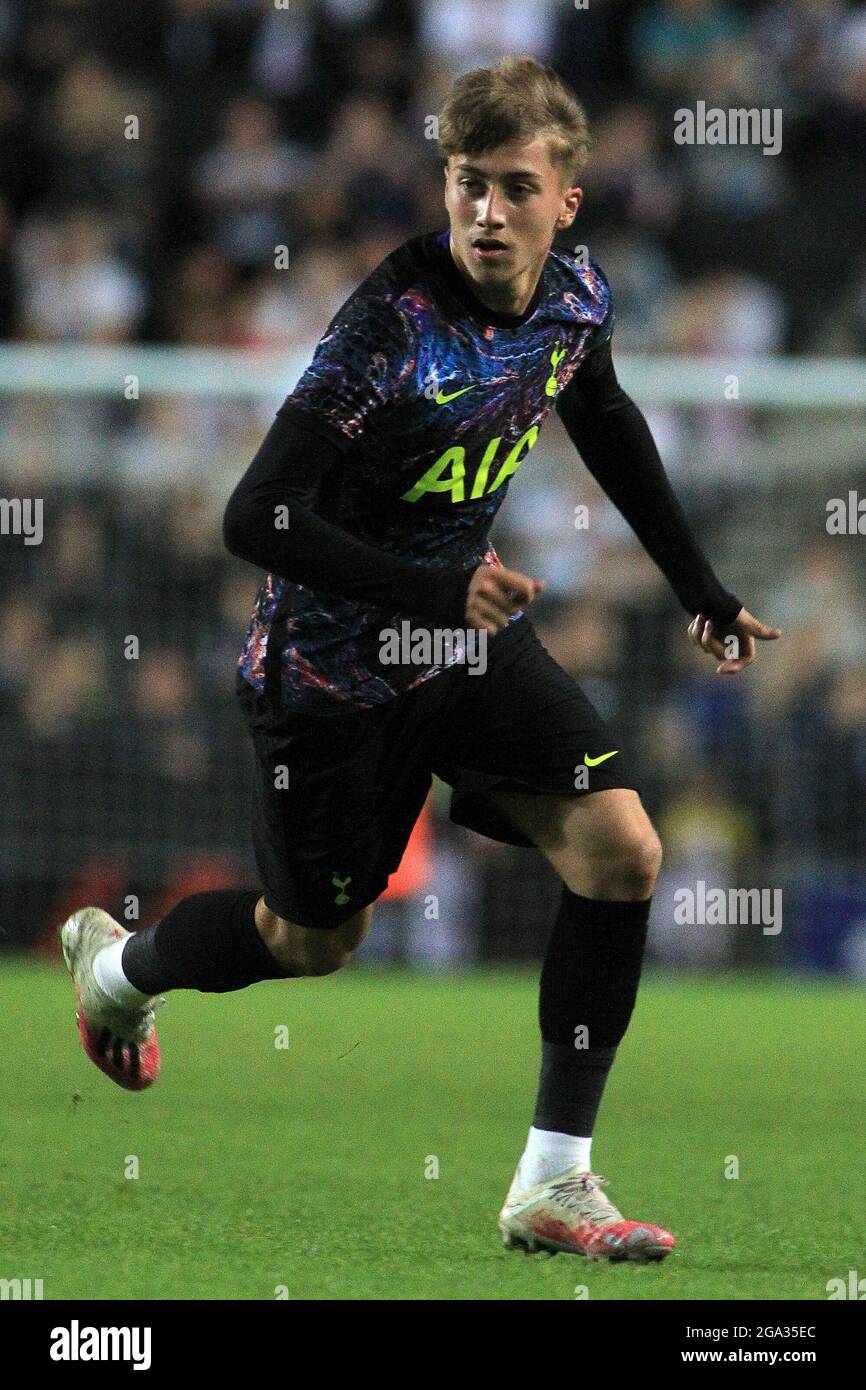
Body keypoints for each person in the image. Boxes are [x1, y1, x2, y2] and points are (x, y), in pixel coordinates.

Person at [60, 55, 780, 1263]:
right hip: (329, 669)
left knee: (620, 850)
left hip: (462, 644)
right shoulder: (386, 327)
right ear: (441, 189)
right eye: (464, 186)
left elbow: (595, 408)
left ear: (566, 203)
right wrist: (434, 585)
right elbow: (256, 517)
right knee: (313, 942)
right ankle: (118, 968)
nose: (485, 213)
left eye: (511, 188)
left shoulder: (578, 296)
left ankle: (552, 1182)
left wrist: (697, 585)